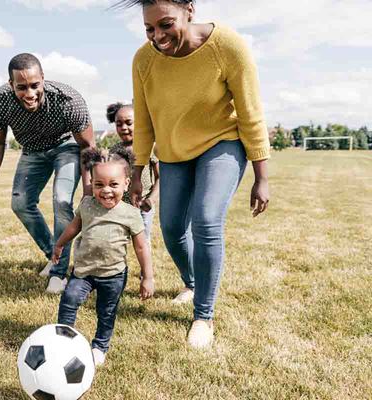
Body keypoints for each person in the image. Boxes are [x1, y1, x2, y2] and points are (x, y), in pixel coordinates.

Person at [116, 0, 271, 348]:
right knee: (171, 228)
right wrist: (138, 171)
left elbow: (250, 112)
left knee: (205, 220)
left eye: (166, 25)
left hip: (222, 142)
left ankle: (204, 315)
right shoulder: (143, 60)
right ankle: (192, 282)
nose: (158, 36)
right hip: (173, 153)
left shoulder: (226, 45)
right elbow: (144, 121)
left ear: (189, 9)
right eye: (149, 29)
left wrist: (261, 175)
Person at [0, 53, 95, 294]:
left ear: (43, 79)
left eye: (34, 85)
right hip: (31, 151)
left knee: (62, 201)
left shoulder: (68, 99)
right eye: (21, 87)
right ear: (11, 85)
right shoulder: (0, 100)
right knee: (20, 203)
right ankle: (54, 255)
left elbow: (87, 146)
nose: (29, 93)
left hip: (66, 147)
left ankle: (59, 274)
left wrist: (89, 189)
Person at [53, 147, 155, 366]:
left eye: (113, 184)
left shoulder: (130, 213)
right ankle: (63, 340)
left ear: (126, 184)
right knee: (69, 300)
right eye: (99, 185)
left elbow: (141, 247)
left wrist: (148, 277)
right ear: (91, 183)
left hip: (113, 274)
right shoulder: (87, 205)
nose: (106, 190)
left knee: (106, 312)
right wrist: (60, 244)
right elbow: (74, 227)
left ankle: (99, 346)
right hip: (84, 271)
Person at [107, 102, 159, 242]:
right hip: (121, 206)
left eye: (129, 123)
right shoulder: (115, 150)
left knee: (142, 241)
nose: (123, 128)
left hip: (143, 205)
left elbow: (160, 177)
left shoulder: (148, 148)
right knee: (118, 240)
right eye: (119, 124)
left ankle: (145, 264)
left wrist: (151, 199)